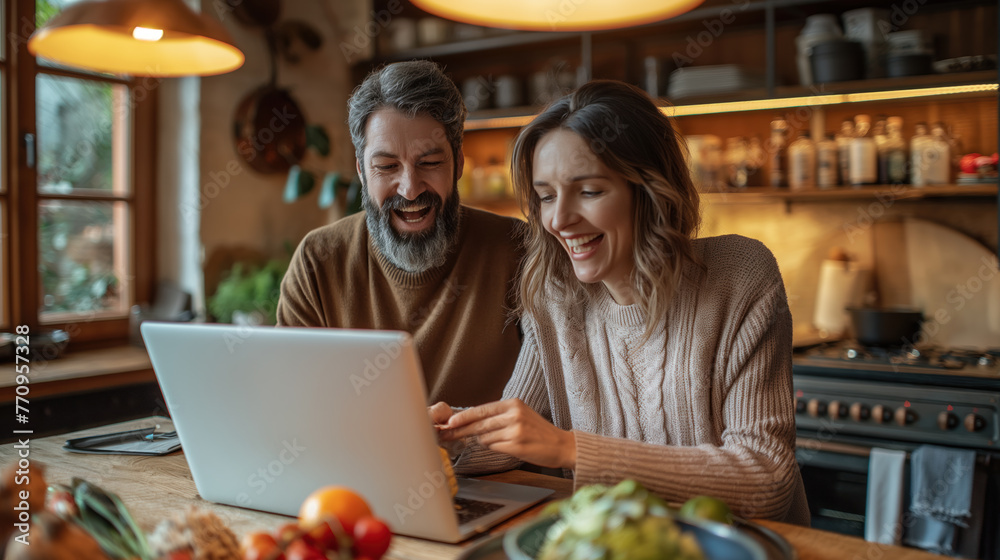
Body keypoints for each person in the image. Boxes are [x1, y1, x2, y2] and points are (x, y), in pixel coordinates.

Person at [432, 80, 810, 525]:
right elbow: (513, 438)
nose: (558, 219)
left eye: (589, 191)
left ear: (650, 190)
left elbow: (766, 479)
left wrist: (568, 447)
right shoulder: (556, 299)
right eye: (546, 196)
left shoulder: (740, 275)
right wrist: (447, 435)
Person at [277, 60, 524, 406]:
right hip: (356, 460)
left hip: (495, 463)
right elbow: (293, 402)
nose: (409, 189)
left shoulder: (519, 251)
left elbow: (553, 411)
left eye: (430, 163)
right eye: (387, 167)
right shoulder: (318, 260)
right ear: (362, 171)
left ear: (459, 163)